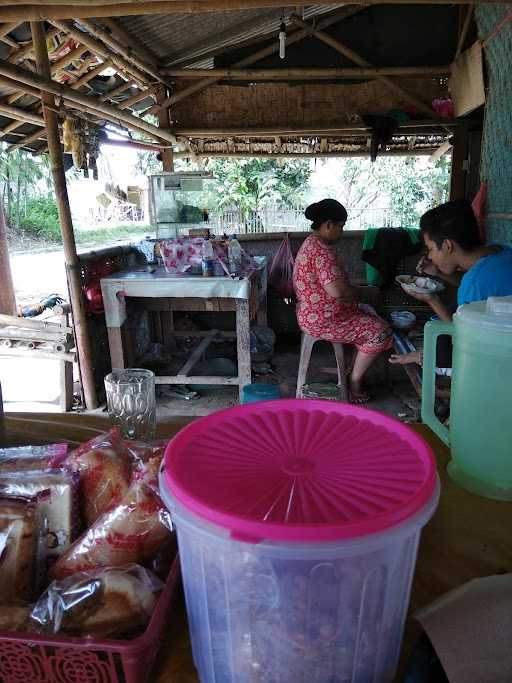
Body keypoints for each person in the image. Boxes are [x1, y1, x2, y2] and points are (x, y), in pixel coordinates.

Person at [389, 198, 512, 367]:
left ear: (447, 246)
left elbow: (462, 340)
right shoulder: (500, 250)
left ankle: (426, 361)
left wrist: (432, 300)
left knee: (441, 341)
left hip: (498, 362)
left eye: (430, 249)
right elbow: (482, 284)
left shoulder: (473, 284)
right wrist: (438, 272)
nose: (430, 256)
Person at [293, 199, 392, 403]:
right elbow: (337, 291)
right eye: (341, 226)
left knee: (368, 314)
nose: (342, 231)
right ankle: (355, 383)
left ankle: (349, 371)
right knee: (381, 331)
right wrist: (365, 292)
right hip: (324, 319)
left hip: (312, 313)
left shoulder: (311, 242)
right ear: (328, 225)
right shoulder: (322, 251)